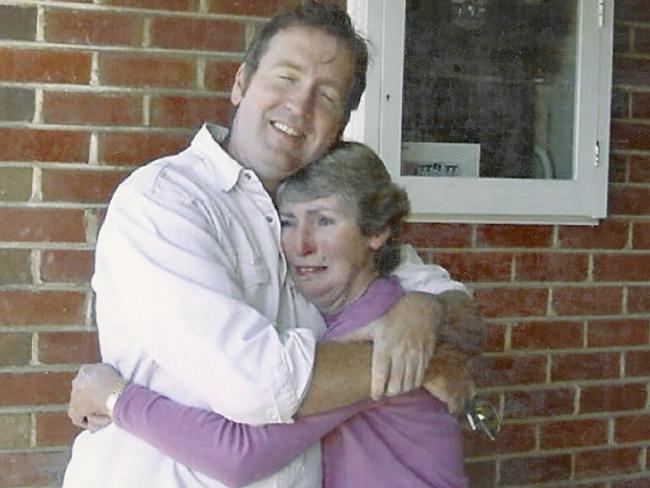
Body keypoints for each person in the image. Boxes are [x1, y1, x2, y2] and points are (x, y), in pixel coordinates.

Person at [63, 3, 484, 487]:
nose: (299, 107)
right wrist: (419, 359)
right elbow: (259, 387)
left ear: (341, 123)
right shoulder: (166, 201)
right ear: (241, 84)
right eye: (286, 78)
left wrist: (426, 314)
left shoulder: (334, 213)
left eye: (325, 96)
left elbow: (465, 317)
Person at [68, 141, 469, 488]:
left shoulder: (384, 325)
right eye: (289, 222)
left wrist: (116, 397)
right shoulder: (337, 313)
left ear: (375, 232)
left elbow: (239, 455)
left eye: (325, 220)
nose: (301, 244)